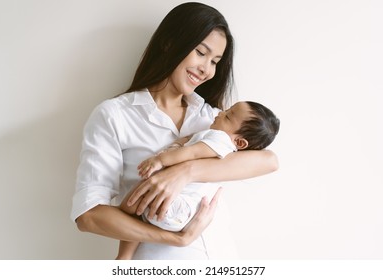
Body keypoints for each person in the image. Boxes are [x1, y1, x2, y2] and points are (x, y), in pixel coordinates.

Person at [71, 2, 278, 260]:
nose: (207, 69)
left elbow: (269, 161)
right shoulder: (115, 115)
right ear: (169, 43)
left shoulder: (213, 118)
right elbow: (89, 216)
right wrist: (176, 239)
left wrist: (184, 172)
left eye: (215, 61)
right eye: (201, 53)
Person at [117, 100, 280, 259]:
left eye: (228, 117)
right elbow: (187, 142)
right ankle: (124, 255)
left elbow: (192, 152)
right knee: (136, 207)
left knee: (133, 203)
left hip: (175, 206)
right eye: (227, 110)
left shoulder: (220, 140)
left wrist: (161, 160)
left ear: (239, 142)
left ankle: (124, 253)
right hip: (181, 213)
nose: (221, 113)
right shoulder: (219, 144)